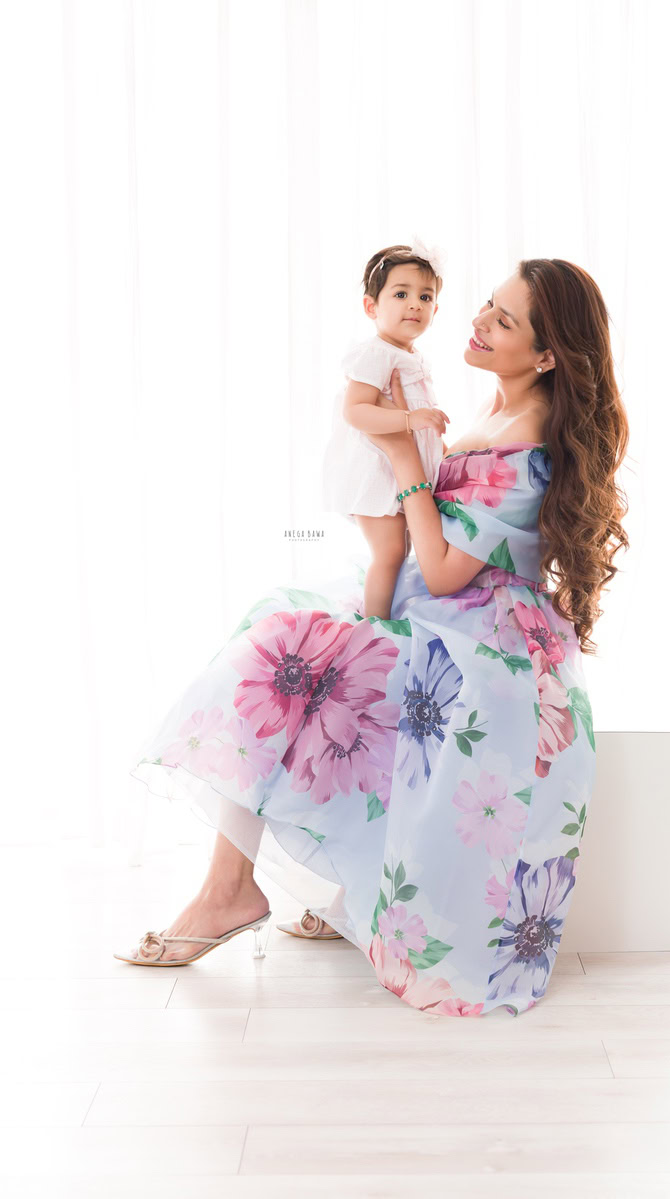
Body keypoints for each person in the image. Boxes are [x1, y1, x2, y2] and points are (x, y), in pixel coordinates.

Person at [117, 258, 630, 1019]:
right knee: (289, 631)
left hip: (487, 642)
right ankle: (306, 892)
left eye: (504, 320)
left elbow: (446, 569)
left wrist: (402, 462)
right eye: (487, 305)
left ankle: (229, 891)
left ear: (548, 355)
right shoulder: (498, 410)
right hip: (446, 610)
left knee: (292, 653)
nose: (479, 322)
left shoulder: (527, 444)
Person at [321, 239, 450, 619]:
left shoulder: (411, 356)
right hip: (375, 471)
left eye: (425, 297)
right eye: (401, 294)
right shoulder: (376, 352)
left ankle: (386, 613)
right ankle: (374, 626)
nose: (415, 304)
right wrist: (410, 419)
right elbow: (355, 410)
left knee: (403, 550)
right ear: (371, 307)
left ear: (435, 310)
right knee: (390, 552)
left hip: (401, 471)